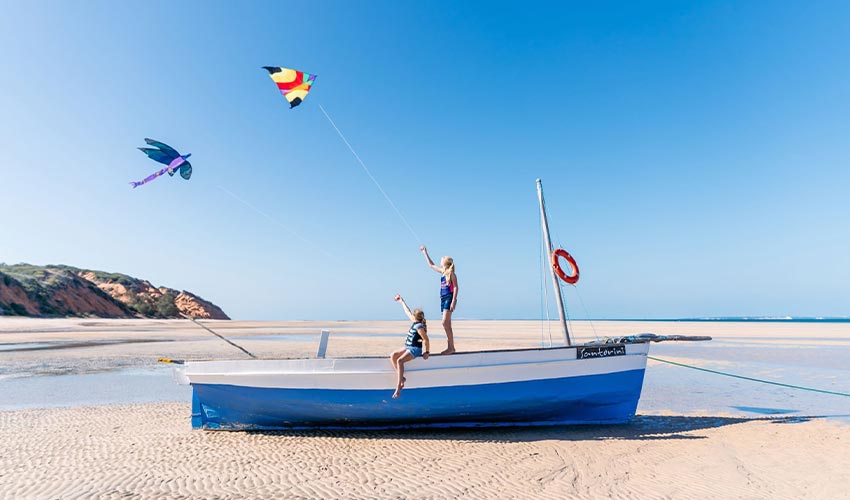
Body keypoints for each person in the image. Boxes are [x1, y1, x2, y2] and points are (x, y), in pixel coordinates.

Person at [390, 294, 430, 399]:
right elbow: (407, 311)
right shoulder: (414, 321)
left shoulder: (419, 326)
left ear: (416, 316)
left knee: (399, 361)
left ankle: (398, 387)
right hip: (408, 347)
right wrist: (401, 301)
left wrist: (427, 352)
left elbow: (426, 339)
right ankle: (402, 378)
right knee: (393, 355)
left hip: (415, 349)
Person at [420, 245, 458, 354]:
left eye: (442, 259)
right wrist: (425, 252)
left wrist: (454, 300)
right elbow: (431, 265)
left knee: (444, 322)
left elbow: (455, 287)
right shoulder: (442, 272)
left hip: (449, 298)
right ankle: (451, 347)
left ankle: (451, 347)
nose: (440, 259)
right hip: (442, 298)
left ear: (446, 263)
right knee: (447, 324)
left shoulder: (452, 274)